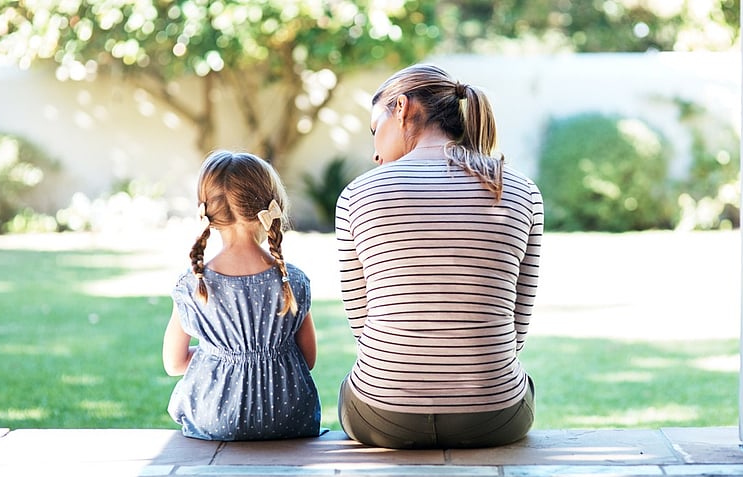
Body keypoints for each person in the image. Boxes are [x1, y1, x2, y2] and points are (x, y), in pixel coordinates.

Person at [334, 64, 544, 449]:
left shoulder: (357, 194)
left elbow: (362, 325)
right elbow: (517, 326)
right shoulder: (520, 189)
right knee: (521, 382)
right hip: (493, 417)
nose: (375, 151)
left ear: (401, 108)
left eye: (373, 129)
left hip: (383, 417)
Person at [162, 150, 321, 441]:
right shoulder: (293, 280)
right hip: (289, 418)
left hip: (215, 419)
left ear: (206, 212)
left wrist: (220, 353)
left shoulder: (193, 284)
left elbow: (174, 364)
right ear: (272, 207)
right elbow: (308, 358)